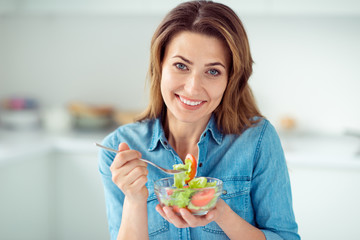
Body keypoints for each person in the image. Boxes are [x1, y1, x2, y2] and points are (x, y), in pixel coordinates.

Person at [98, 1, 300, 239]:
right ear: (159, 65)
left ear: (231, 80)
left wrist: (220, 212)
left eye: (213, 71)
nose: (193, 88)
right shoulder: (119, 149)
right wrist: (134, 200)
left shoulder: (257, 140)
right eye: (181, 66)